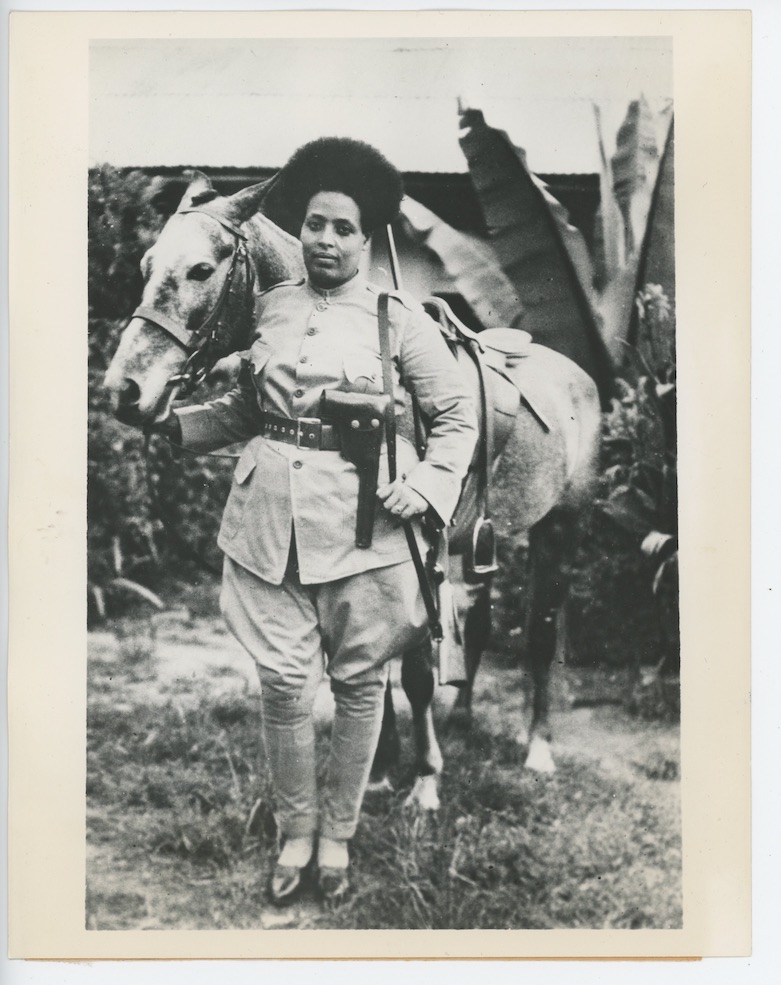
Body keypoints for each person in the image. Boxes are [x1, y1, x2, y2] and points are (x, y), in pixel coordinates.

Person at [162, 137, 477, 904]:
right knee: (280, 684)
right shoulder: (268, 307)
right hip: (268, 527)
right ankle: (293, 831)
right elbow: (245, 407)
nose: (324, 241)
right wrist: (174, 429)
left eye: (341, 228)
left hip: (366, 533)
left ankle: (337, 837)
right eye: (313, 224)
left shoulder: (395, 319)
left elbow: (455, 414)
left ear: (366, 237)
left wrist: (430, 485)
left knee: (360, 683)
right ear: (297, 229)